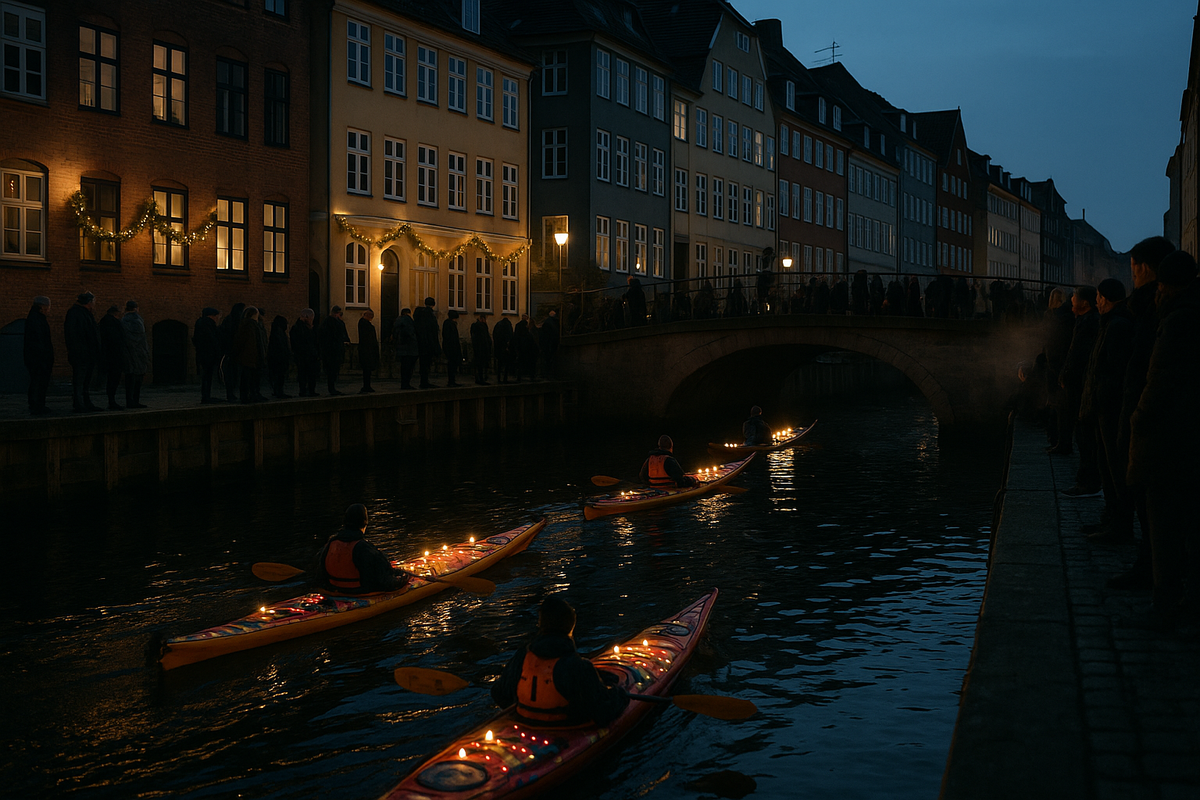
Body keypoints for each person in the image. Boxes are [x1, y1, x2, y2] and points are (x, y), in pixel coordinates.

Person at [1126, 249, 1200, 629]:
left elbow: (1160, 381)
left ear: (1164, 286)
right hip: (1187, 437)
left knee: (1165, 522)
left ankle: (1166, 603)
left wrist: (1138, 418)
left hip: (1170, 439)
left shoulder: (1176, 322)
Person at [1108, 236, 1177, 590]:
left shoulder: (1153, 309)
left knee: (1149, 495)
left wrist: (1137, 415)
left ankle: (1155, 570)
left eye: (1134, 269)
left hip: (1148, 415)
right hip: (1146, 411)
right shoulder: (1155, 307)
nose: (1132, 275)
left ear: (1145, 269)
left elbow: (1153, 370)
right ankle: (1153, 564)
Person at [490, 596, 629, 727]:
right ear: (570, 628)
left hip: (525, 721)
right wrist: (620, 694)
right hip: (566, 727)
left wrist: (522, 707)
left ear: (540, 625)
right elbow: (603, 711)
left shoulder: (522, 656)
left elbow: (498, 692)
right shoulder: (577, 666)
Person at [1078, 279, 1135, 544]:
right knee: (1106, 465)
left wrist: (1100, 397)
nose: (1097, 302)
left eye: (1099, 297)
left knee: (1114, 468)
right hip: (1103, 406)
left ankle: (1119, 524)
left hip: (1109, 408)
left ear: (1108, 299)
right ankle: (1110, 518)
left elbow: (1113, 370)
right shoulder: (1110, 323)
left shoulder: (1117, 326)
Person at [1057, 286, 1101, 496]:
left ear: (1084, 303)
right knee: (1082, 432)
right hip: (1080, 382)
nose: (1071, 300)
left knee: (1085, 435)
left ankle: (1087, 481)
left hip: (1081, 384)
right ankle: (1086, 479)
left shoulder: (1089, 323)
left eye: (1074, 297)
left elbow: (1079, 355)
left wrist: (1068, 374)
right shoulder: (1086, 321)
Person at [314, 504, 410, 595]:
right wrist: (403, 578)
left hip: (333, 588)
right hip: (358, 591)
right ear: (365, 523)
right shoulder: (364, 548)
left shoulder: (330, 543)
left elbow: (320, 573)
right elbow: (384, 581)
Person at [64, 291, 101, 412]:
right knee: (80, 379)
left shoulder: (81, 313)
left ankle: (85, 402)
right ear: (89, 302)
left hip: (87, 353)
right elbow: (74, 335)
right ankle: (79, 403)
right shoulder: (77, 314)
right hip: (82, 353)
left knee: (85, 380)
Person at [23, 295, 53, 415]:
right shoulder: (38, 320)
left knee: (37, 381)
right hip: (38, 358)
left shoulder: (34, 318)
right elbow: (39, 340)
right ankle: (37, 405)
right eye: (48, 307)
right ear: (43, 307)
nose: (49, 310)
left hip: (35, 357)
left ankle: (36, 404)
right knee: (39, 381)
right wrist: (44, 356)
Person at [121, 300, 150, 409]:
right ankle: (135, 401)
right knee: (137, 379)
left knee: (129, 378)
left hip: (128, 353)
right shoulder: (137, 320)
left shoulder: (123, 320)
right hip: (138, 353)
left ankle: (130, 400)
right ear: (136, 308)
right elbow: (141, 338)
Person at [233, 306, 265, 403]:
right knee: (247, 377)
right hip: (249, 357)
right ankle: (247, 396)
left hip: (249, 356)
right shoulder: (250, 326)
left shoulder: (247, 325)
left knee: (249, 377)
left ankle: (250, 395)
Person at [318, 305, 350, 395]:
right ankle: (331, 388)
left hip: (332, 350)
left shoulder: (327, 323)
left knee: (333, 370)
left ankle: (332, 388)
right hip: (333, 351)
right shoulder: (333, 323)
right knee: (332, 370)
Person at [193, 307, 222, 404]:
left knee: (206, 376)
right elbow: (212, 339)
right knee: (207, 376)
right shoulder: (208, 325)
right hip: (208, 354)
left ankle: (206, 395)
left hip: (203, 354)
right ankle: (206, 396)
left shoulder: (200, 323)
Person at [218, 302, 245, 402]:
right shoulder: (232, 321)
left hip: (233, 351)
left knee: (234, 374)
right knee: (231, 374)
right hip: (231, 352)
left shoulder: (231, 320)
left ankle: (232, 393)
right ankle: (230, 393)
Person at [99, 304, 125, 410]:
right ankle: (112, 401)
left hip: (106, 355)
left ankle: (111, 400)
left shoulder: (103, 322)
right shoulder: (114, 323)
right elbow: (116, 340)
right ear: (116, 313)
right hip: (114, 356)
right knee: (113, 379)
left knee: (110, 379)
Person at [291, 309, 320, 397]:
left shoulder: (306, 328)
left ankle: (310, 390)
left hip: (309, 355)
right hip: (303, 355)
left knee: (310, 374)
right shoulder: (299, 328)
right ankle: (304, 390)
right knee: (303, 373)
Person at [414, 297, 441, 389]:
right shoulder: (430, 316)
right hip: (428, 343)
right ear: (433, 305)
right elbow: (432, 332)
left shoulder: (419, 314)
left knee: (423, 363)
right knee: (427, 363)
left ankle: (423, 381)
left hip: (421, 343)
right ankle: (424, 382)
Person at [393, 307, 419, 389]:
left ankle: (403, 383)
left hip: (400, 348)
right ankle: (406, 384)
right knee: (409, 367)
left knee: (403, 367)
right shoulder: (408, 321)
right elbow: (411, 334)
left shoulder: (397, 322)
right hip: (409, 348)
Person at [268, 314, 291, 398]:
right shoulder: (279, 334)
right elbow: (281, 346)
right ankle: (279, 392)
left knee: (277, 376)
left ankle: (277, 391)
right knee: (280, 376)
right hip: (279, 359)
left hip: (277, 358)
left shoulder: (275, 332)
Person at [357, 308, 379, 393]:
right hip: (367, 350)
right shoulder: (365, 325)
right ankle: (366, 386)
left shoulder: (364, 324)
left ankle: (367, 386)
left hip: (367, 350)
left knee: (367, 370)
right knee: (367, 369)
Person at [442, 310, 463, 387]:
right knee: (452, 364)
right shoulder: (450, 325)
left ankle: (452, 381)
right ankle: (451, 381)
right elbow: (452, 338)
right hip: (452, 348)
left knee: (452, 364)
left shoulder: (447, 324)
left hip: (450, 347)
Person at [470, 312, 492, 385]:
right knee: (481, 364)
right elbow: (484, 338)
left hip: (479, 348)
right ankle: (481, 378)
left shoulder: (477, 326)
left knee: (479, 364)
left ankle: (479, 378)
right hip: (481, 348)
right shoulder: (481, 327)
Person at [492, 314, 514, 384]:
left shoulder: (498, 325)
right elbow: (510, 337)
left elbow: (494, 335)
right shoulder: (508, 326)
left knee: (499, 364)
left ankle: (499, 378)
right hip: (505, 348)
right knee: (506, 364)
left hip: (498, 348)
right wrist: (508, 346)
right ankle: (505, 378)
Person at [539, 310, 560, 379]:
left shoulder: (547, 323)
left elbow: (543, 336)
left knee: (547, 359)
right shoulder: (556, 323)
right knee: (552, 359)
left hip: (547, 345)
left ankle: (547, 373)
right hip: (553, 344)